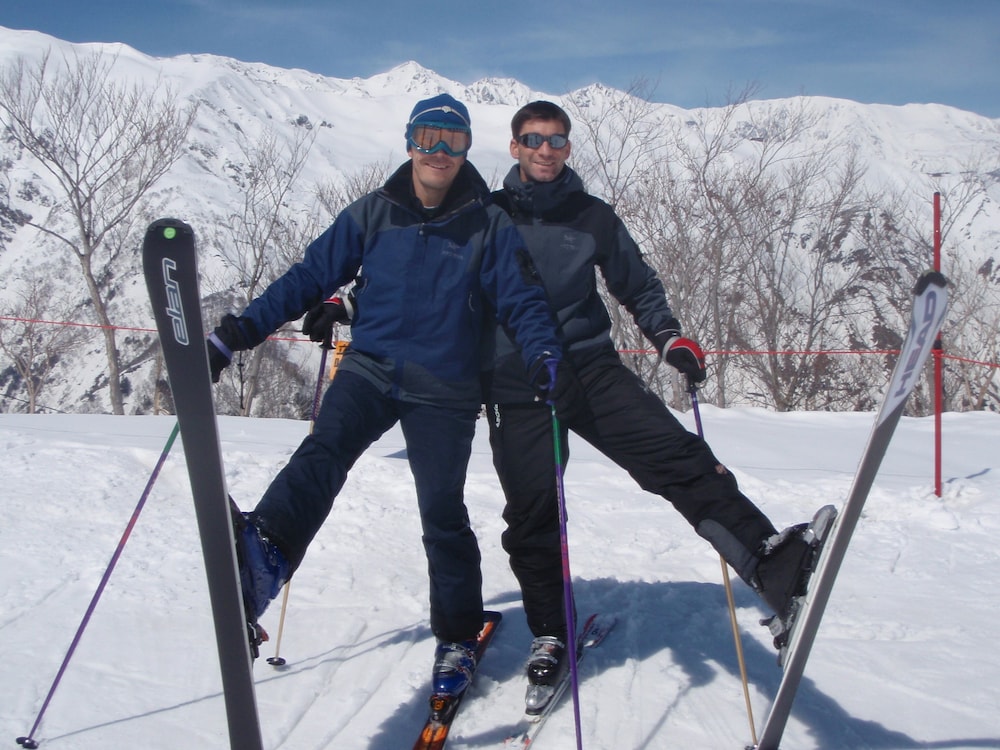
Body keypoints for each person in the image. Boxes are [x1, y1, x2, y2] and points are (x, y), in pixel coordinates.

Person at [206, 94, 571, 699]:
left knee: (440, 513)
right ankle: (263, 558)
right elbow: (308, 275)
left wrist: (544, 353)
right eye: (428, 138)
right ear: (409, 142)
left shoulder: (487, 222)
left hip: (446, 389)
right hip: (371, 370)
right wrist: (239, 333)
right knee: (322, 452)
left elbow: (522, 300)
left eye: (452, 142)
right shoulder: (374, 213)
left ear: (465, 151)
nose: (439, 153)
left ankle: (457, 635)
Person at [482, 100, 830, 710]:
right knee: (534, 511)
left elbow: (636, 284)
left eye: (556, 140)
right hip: (518, 382)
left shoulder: (592, 215)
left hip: (589, 369)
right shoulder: (485, 214)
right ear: (514, 147)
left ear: (567, 148)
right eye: (533, 139)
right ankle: (549, 632)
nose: (545, 149)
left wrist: (670, 337)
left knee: (679, 457)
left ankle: (771, 568)